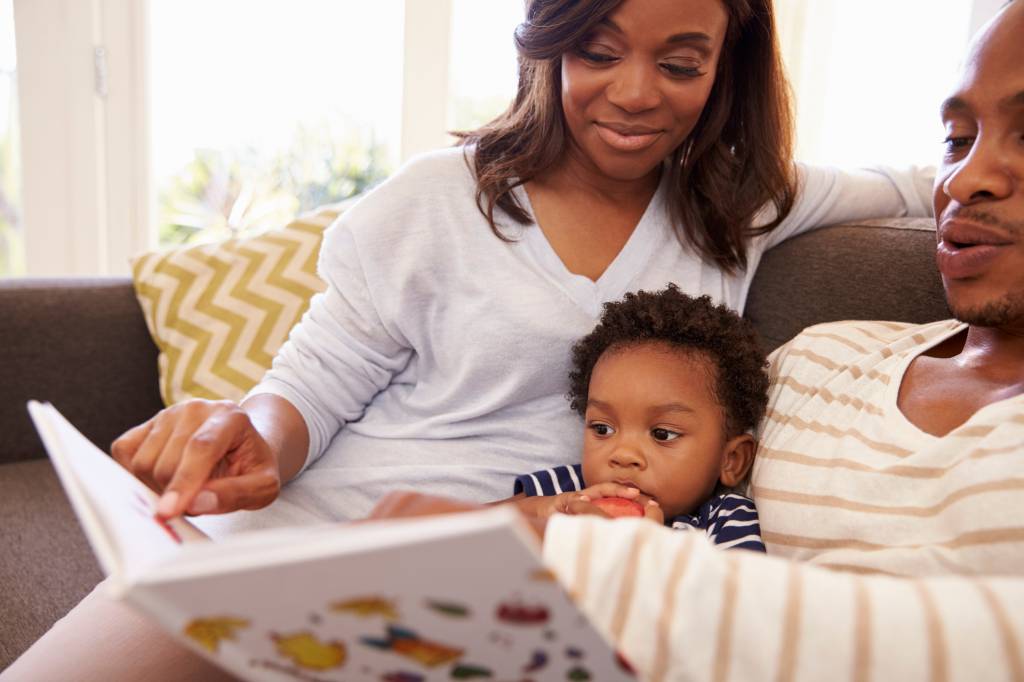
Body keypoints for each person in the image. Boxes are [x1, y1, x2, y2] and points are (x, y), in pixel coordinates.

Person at [1, 0, 932, 679]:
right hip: (299, 535)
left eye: (682, 64)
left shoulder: (739, 206)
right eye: (599, 52)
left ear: (726, 66)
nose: (637, 94)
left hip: (481, 582)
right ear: (550, 43)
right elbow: (313, 384)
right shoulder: (437, 197)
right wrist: (259, 435)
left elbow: (918, 183)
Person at [370, 2, 1024, 678]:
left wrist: (568, 554)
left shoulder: (736, 211)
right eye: (955, 139)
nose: (965, 178)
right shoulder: (815, 360)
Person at [507, 285, 768, 552]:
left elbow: (740, 591)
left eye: (662, 434)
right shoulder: (568, 490)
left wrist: (645, 551)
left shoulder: (724, 520)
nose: (623, 454)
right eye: (603, 428)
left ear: (731, 460)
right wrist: (539, 511)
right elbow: (471, 526)